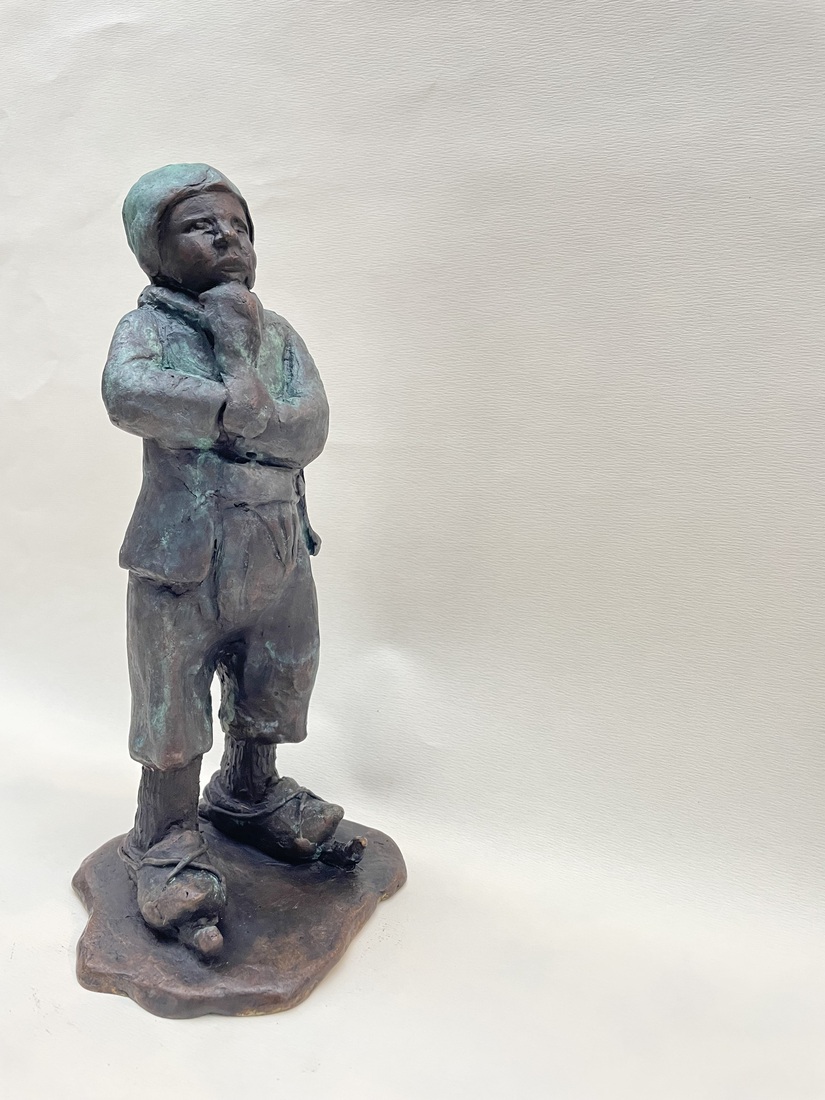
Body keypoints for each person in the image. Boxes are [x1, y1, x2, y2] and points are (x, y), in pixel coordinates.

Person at [103, 163, 363, 961]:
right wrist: (231, 403)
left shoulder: (276, 334)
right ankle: (165, 838)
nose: (227, 237)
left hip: (277, 547)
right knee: (172, 706)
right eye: (200, 226)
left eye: (239, 225)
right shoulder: (151, 328)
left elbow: (308, 426)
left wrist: (246, 410)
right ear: (155, 249)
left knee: (275, 677)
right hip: (183, 561)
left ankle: (248, 793)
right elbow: (129, 394)